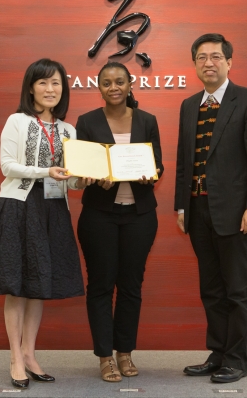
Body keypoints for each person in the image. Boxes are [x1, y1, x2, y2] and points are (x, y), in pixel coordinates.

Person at [0, 58, 91, 389]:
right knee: (16, 284)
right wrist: (46, 171)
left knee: (39, 285)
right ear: (31, 87)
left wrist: (82, 180)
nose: (50, 89)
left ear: (64, 89)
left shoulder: (69, 130)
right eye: (43, 83)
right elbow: (7, 166)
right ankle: (15, 356)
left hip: (54, 209)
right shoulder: (17, 121)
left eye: (56, 83)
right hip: (18, 205)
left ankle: (30, 354)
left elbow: (70, 182)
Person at [174, 34, 247, 384]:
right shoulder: (189, 106)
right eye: (202, 57)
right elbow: (185, 161)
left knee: (237, 290)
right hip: (197, 211)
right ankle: (218, 353)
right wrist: (180, 207)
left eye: (216, 56)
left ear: (229, 62)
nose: (209, 63)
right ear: (195, 64)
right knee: (211, 289)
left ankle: (237, 359)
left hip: (236, 214)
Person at [75, 61, 164, 382]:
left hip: (140, 217)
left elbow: (159, 167)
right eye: (107, 83)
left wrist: (149, 175)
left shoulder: (147, 121)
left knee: (131, 286)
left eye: (119, 82)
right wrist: (94, 177)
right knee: (100, 285)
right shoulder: (86, 122)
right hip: (98, 216)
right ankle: (104, 356)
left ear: (130, 85)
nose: (113, 87)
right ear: (99, 88)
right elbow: (80, 167)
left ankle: (124, 352)